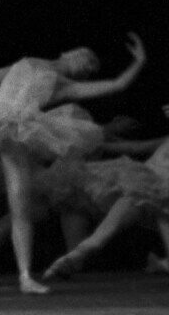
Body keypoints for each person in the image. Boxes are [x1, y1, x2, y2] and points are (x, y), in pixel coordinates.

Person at [0, 33, 146, 296]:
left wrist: (139, 62)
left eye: (89, 64)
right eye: (85, 57)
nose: (85, 62)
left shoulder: (64, 85)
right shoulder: (27, 62)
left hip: (16, 134)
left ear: (83, 72)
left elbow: (117, 84)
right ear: (69, 52)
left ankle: (25, 276)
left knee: (20, 209)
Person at [42, 112, 169, 280]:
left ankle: (89, 245)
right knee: (73, 191)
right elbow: (135, 147)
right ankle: (78, 250)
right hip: (144, 185)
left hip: (157, 193)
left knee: (141, 197)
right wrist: (96, 142)